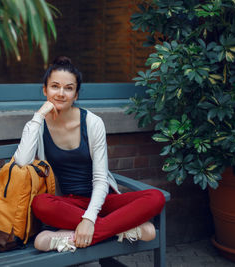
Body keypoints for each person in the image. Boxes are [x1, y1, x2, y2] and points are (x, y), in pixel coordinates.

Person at [13, 56, 165, 252]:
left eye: (68, 88)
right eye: (54, 86)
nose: (60, 93)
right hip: (69, 204)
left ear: (76, 94)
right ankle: (122, 228)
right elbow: (22, 161)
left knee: (156, 197)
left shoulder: (92, 123)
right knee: (41, 204)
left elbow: (101, 179)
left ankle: (70, 237)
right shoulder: (37, 126)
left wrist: (89, 219)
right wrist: (38, 116)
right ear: (45, 89)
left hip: (102, 201)